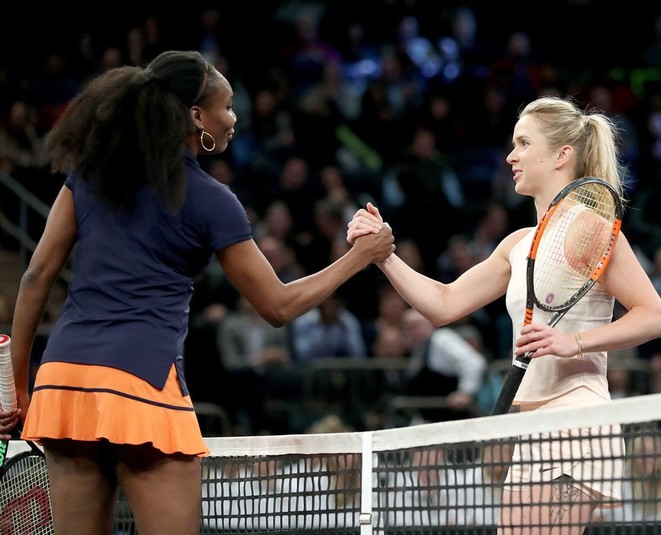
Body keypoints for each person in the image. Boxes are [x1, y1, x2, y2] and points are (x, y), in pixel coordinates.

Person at [0, 50, 394, 535]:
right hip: (142, 385)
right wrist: (360, 256)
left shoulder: (89, 175)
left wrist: (18, 387)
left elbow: (36, 276)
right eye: (226, 106)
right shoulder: (212, 200)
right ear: (196, 117)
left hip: (64, 382)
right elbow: (278, 305)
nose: (234, 117)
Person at [348, 95, 661, 534]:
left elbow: (655, 316)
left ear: (561, 155)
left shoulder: (590, 228)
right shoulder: (518, 244)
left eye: (523, 143)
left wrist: (573, 342)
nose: (510, 156)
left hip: (577, 420)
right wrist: (382, 254)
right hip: (531, 425)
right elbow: (443, 304)